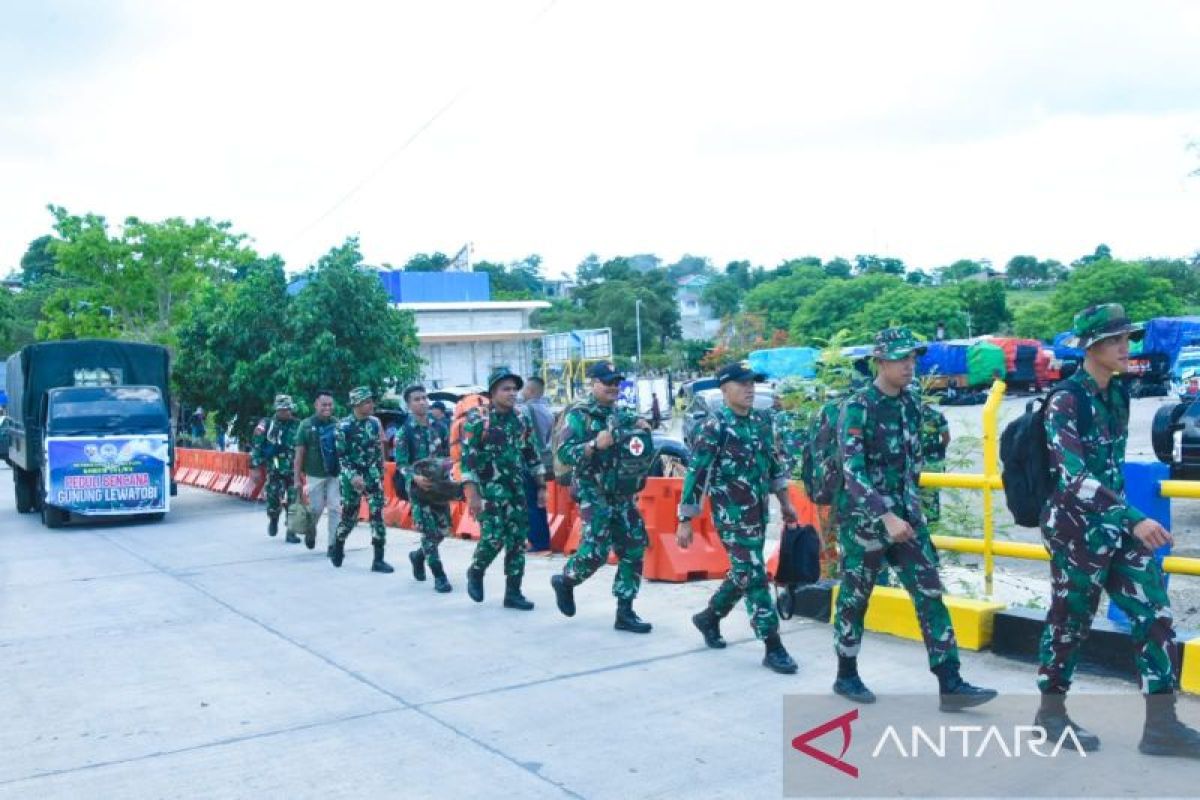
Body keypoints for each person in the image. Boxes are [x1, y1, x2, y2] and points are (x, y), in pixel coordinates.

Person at [1036, 304, 1200, 757]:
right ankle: (1050, 715)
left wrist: (1125, 520)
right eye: (1116, 341)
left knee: (1155, 614)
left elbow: (1109, 470)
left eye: (1128, 338)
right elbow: (1073, 478)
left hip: (1115, 525)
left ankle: (1161, 727)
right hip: (1074, 530)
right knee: (1070, 623)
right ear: (1093, 348)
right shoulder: (1065, 400)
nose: (1127, 347)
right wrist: (1135, 518)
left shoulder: (1118, 395)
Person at [833, 327, 996, 710]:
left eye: (912, 358)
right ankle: (846, 673)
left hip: (908, 519)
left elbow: (919, 454)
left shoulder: (910, 404)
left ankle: (950, 683)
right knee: (856, 598)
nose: (910, 366)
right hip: (866, 523)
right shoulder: (857, 407)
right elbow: (851, 470)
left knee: (929, 593)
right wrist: (885, 516)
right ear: (880, 361)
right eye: (901, 358)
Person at [678, 362, 800, 673]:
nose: (749, 388)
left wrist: (785, 502)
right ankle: (773, 645)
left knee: (744, 571)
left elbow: (773, 465)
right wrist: (686, 518)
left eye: (752, 383)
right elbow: (697, 473)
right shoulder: (714, 426)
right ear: (724, 388)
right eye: (742, 383)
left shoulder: (760, 421)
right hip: (731, 517)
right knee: (754, 574)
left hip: (758, 513)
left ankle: (709, 617)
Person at [550, 361, 654, 634]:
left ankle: (625, 611)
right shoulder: (579, 414)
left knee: (633, 547)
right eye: (606, 382)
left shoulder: (621, 414)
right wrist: (594, 444)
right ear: (593, 383)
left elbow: (638, 435)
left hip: (622, 491)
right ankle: (566, 580)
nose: (612, 387)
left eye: (616, 382)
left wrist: (643, 424)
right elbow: (564, 453)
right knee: (595, 551)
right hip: (592, 490)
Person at [462, 368, 547, 609]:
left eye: (514, 389)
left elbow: (531, 453)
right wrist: (472, 494)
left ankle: (513, 592)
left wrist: (541, 485)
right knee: (493, 538)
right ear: (492, 393)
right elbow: (467, 460)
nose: (512, 393)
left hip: (516, 491)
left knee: (518, 541)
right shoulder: (478, 419)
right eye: (505, 389)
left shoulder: (521, 418)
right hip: (488, 492)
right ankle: (476, 571)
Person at [395, 384, 454, 593]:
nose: (422, 402)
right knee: (429, 533)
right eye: (416, 399)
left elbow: (450, 453)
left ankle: (418, 556)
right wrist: (414, 476)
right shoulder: (405, 432)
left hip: (439, 487)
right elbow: (401, 464)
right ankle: (439, 576)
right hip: (419, 490)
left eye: (424, 398)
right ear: (409, 404)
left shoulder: (441, 426)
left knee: (443, 531)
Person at [329, 386, 392, 573]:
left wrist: (381, 471)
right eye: (366, 402)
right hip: (351, 477)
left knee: (377, 516)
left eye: (371, 401)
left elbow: (379, 447)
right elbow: (342, 457)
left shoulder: (374, 422)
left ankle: (378, 559)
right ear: (356, 405)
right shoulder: (343, 427)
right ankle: (338, 544)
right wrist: (353, 476)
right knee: (350, 516)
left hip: (372, 475)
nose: (371, 405)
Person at [293, 390, 342, 555]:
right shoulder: (305, 425)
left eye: (330, 405)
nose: (327, 408)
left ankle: (333, 545)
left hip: (334, 474)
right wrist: (297, 479)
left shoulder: (337, 424)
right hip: (314, 474)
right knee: (316, 508)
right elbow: (299, 454)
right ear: (316, 405)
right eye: (324, 405)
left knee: (335, 508)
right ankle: (310, 530)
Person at [250, 395, 300, 542]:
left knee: (294, 500)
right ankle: (273, 518)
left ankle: (291, 532)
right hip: (275, 469)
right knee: (273, 499)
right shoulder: (266, 424)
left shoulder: (297, 425)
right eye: (282, 410)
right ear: (277, 409)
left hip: (293, 470)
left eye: (288, 409)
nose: (286, 412)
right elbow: (257, 446)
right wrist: (255, 467)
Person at [518, 375, 554, 551]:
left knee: (530, 503)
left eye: (523, 388)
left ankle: (537, 542)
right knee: (540, 503)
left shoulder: (526, 410)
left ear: (531, 390)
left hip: (531, 462)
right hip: (546, 461)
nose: (521, 392)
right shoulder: (548, 410)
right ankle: (543, 540)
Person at [918, 401, 950, 524]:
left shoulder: (906, 414)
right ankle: (934, 534)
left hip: (911, 465)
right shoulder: (936, 415)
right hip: (932, 463)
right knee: (932, 500)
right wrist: (938, 452)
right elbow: (946, 439)